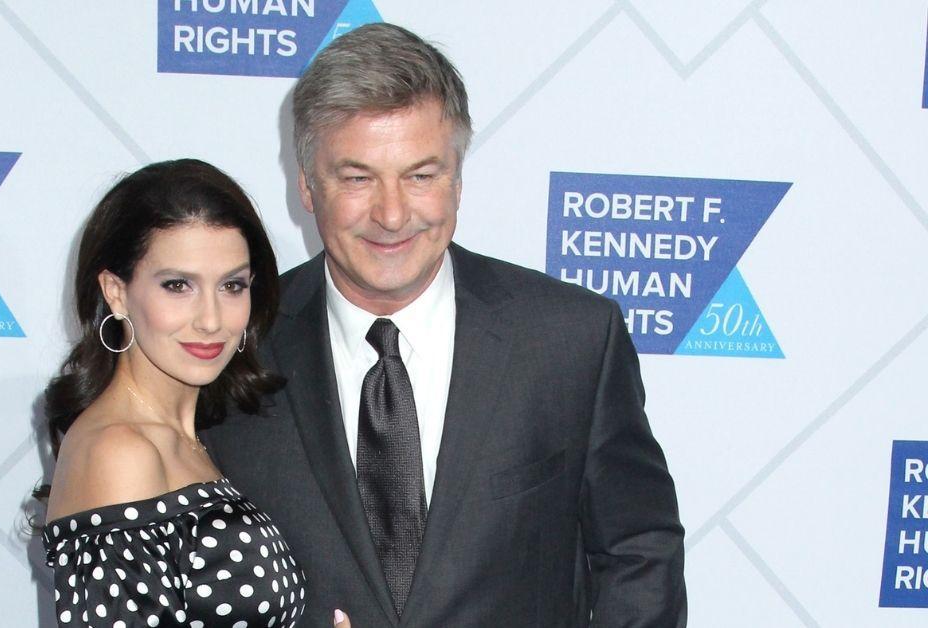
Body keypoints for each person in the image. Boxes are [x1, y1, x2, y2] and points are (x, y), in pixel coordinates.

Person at [201, 23, 687, 627]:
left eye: (421, 175)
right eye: (356, 178)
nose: (392, 213)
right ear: (305, 184)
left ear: (457, 178)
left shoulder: (571, 341)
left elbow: (639, 552)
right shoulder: (230, 347)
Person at [39, 159, 310, 627]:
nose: (210, 318)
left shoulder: (189, 438)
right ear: (116, 292)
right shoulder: (119, 451)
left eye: (232, 285)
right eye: (178, 285)